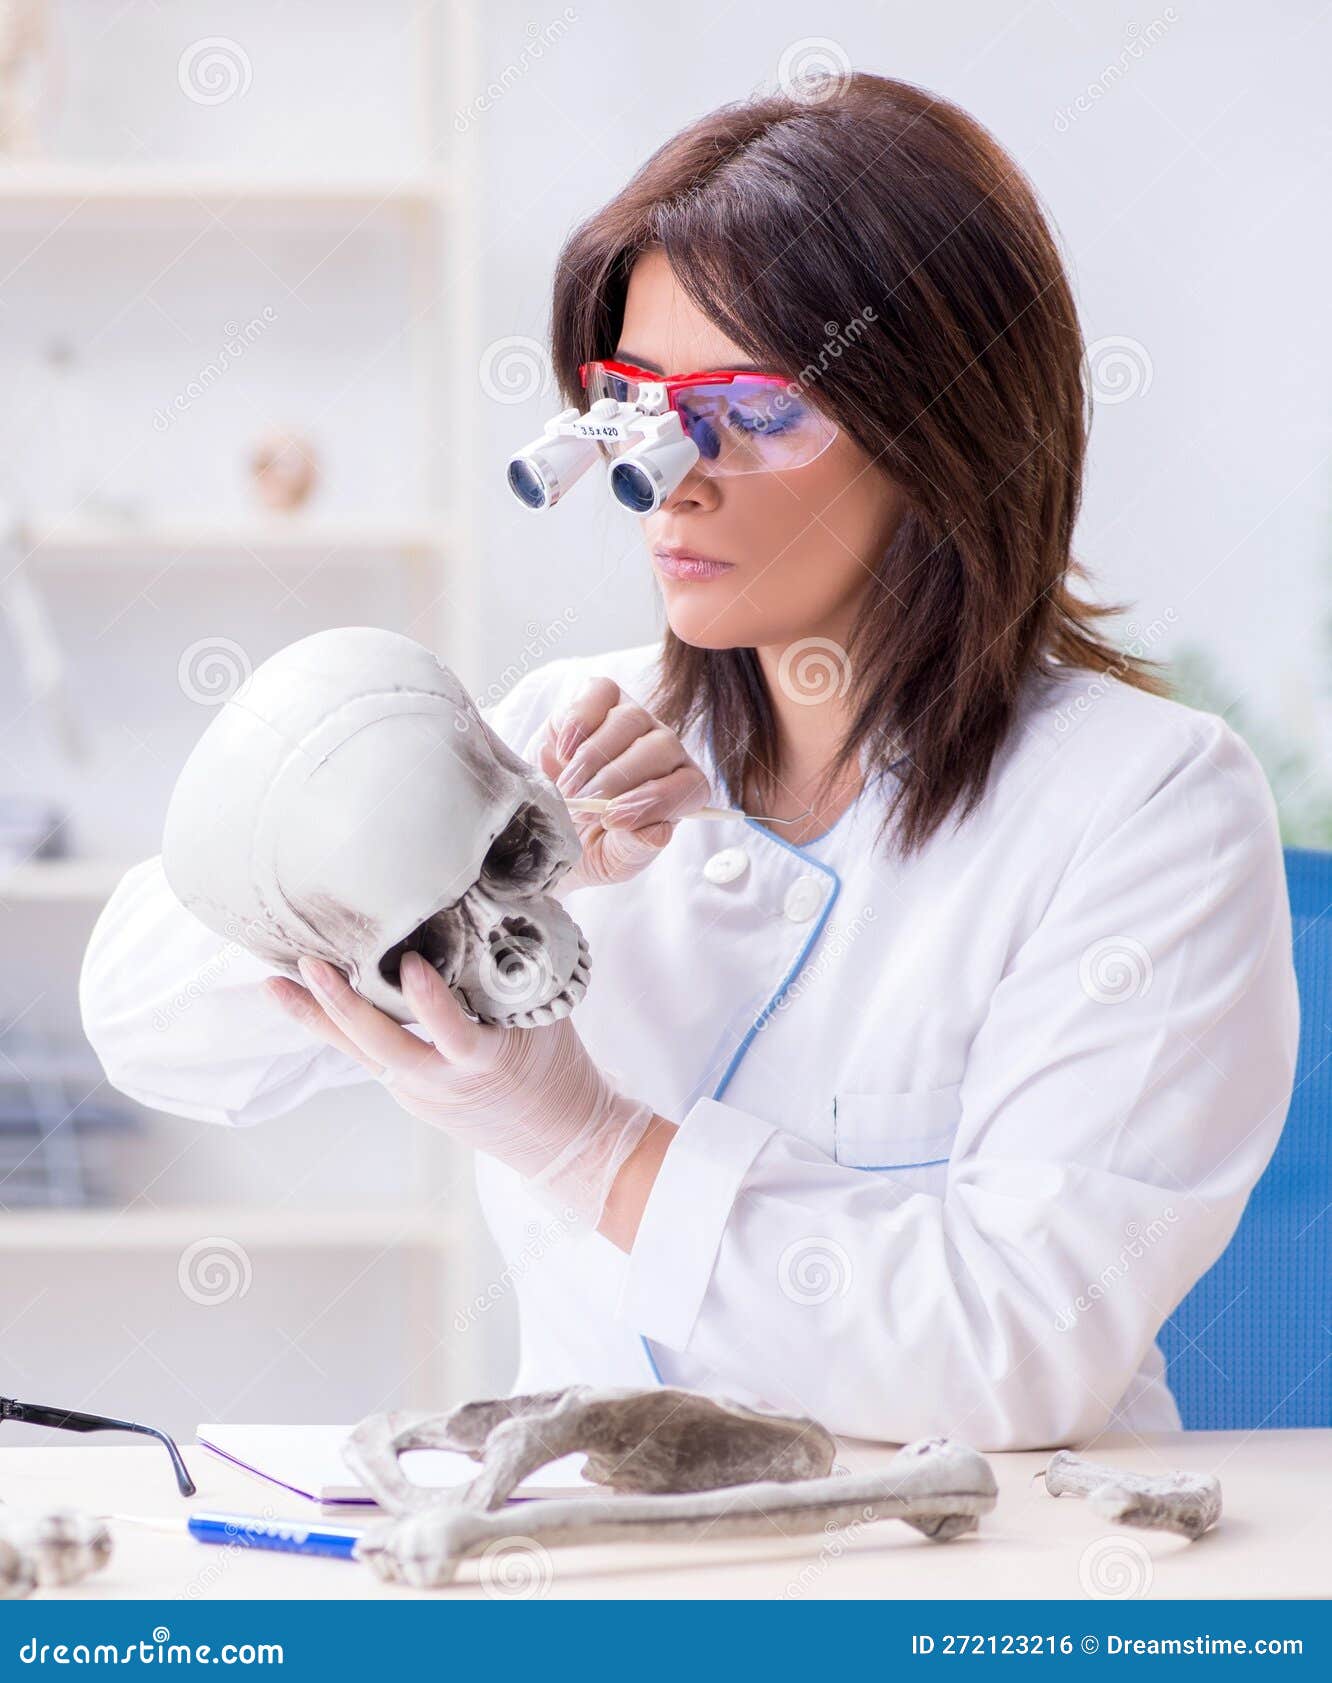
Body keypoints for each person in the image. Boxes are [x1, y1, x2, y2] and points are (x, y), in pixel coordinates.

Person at [80, 74, 1299, 1450]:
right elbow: (146, 1026)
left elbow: (1016, 1344)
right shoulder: (557, 733)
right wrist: (449, 857)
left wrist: (593, 1143)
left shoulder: (1146, 804)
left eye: (756, 408)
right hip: (601, 1562)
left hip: (978, 1589)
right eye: (638, 405)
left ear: (950, 433)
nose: (674, 474)